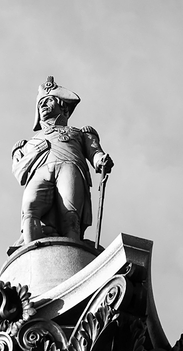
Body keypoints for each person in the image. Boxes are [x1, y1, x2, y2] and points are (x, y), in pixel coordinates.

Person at [12, 76, 113, 245]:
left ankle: (73, 250)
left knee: (71, 216)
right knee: (30, 209)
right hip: (40, 171)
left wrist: (100, 160)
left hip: (70, 167)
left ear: (63, 107)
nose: (43, 106)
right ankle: (30, 249)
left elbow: (95, 152)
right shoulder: (26, 144)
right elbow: (18, 172)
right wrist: (35, 150)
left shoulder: (80, 133)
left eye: (49, 101)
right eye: (40, 103)